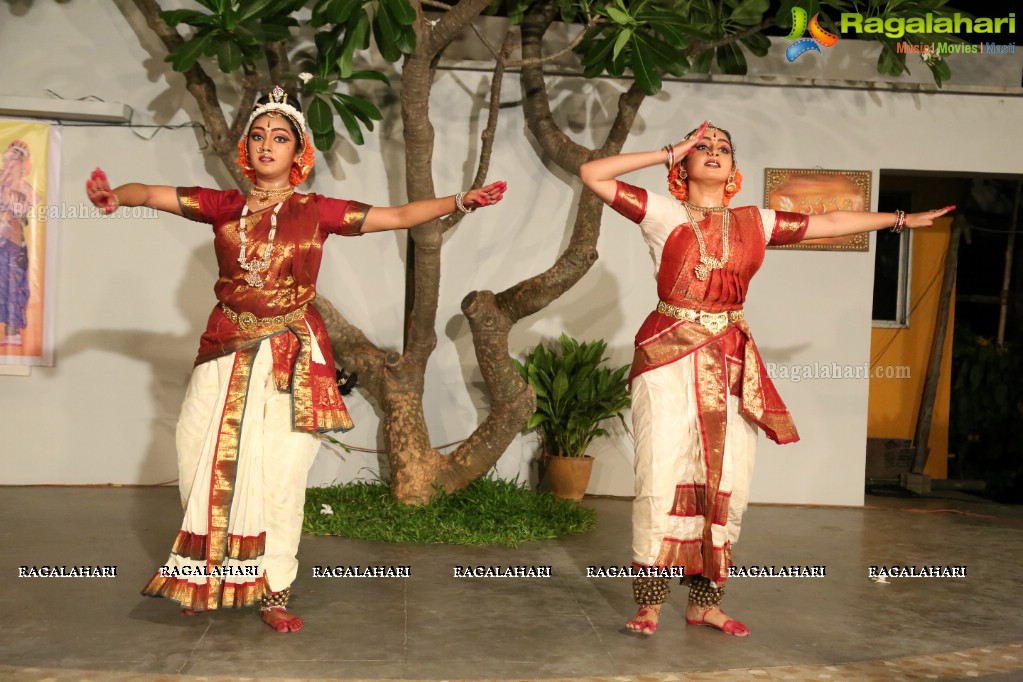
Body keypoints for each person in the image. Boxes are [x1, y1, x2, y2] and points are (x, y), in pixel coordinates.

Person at [85, 86, 507, 633]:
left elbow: (400, 214)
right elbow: (151, 191)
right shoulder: (225, 206)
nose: (266, 144)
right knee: (199, 460)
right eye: (258, 136)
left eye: (279, 137)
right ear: (247, 149)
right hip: (224, 349)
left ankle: (272, 590)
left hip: (290, 357)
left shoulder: (317, 212)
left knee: (281, 475)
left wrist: (460, 201)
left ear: (298, 153)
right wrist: (115, 194)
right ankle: (205, 578)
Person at [580, 121, 952, 637]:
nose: (713, 153)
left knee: (730, 476)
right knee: (661, 472)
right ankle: (649, 603)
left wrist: (899, 219)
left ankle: (705, 603)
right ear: (683, 166)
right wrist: (667, 149)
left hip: (731, 358)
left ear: (734, 169)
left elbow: (831, 222)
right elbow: (592, 174)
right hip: (668, 356)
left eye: (723, 149)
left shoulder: (754, 222)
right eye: (702, 147)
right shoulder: (662, 212)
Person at [0, 140, 36, 347]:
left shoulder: (23, 189)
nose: (7, 165)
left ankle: (12, 332)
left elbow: (20, 215)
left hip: (12, 245)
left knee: (12, 286)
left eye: (12, 161)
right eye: (5, 160)